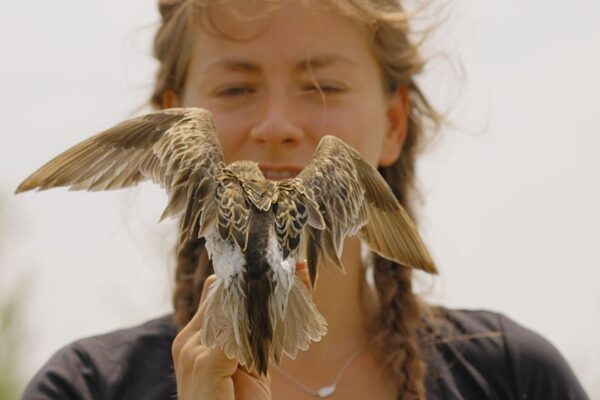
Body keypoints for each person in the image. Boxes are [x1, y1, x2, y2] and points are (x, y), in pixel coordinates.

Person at [21, 0, 589, 399]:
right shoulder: (84, 388)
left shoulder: (516, 377)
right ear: (172, 119)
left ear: (395, 123)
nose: (276, 125)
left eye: (322, 87)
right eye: (237, 88)